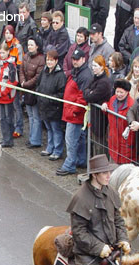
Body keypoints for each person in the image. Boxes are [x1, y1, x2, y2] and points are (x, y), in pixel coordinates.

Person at [57, 48, 92, 176]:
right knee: (80, 139)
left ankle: (70, 164)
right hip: (72, 111)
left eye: (77, 59)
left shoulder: (85, 75)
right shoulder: (77, 72)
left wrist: (74, 111)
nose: (75, 62)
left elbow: (82, 97)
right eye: (73, 59)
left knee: (71, 139)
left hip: (75, 114)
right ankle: (80, 160)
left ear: (83, 59)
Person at [36, 50, 66, 160]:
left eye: (51, 60)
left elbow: (61, 93)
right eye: (48, 60)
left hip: (54, 108)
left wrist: (50, 99)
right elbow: (38, 84)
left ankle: (57, 150)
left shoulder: (60, 76)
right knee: (49, 129)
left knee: (56, 129)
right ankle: (50, 147)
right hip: (44, 106)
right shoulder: (44, 72)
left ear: (56, 61)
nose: (49, 62)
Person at [0, 43, 19, 148]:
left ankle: (9, 139)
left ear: (8, 52)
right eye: (0, 52)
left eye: (3, 52)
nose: (1, 54)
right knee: (2, 118)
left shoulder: (12, 66)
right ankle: (5, 137)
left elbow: (12, 82)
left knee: (9, 118)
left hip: (7, 97)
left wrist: (2, 92)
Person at [84, 55, 113, 155]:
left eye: (95, 66)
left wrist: (89, 93)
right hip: (94, 116)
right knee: (94, 143)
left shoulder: (104, 82)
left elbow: (90, 97)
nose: (93, 68)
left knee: (99, 145)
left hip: (100, 119)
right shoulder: (95, 78)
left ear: (102, 67)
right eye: (92, 65)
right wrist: (89, 92)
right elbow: (86, 91)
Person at [20, 37, 45, 148]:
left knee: (35, 117)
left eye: (32, 44)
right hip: (26, 90)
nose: (29, 47)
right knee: (30, 115)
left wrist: (26, 84)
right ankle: (31, 138)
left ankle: (36, 140)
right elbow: (21, 70)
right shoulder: (26, 56)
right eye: (28, 44)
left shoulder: (41, 59)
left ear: (37, 46)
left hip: (34, 91)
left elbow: (37, 77)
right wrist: (22, 82)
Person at [102, 79, 135, 164]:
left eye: (121, 92)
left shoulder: (131, 104)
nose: (118, 94)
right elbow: (108, 113)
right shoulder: (112, 99)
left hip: (125, 141)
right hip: (113, 138)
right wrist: (105, 105)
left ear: (127, 92)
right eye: (117, 91)